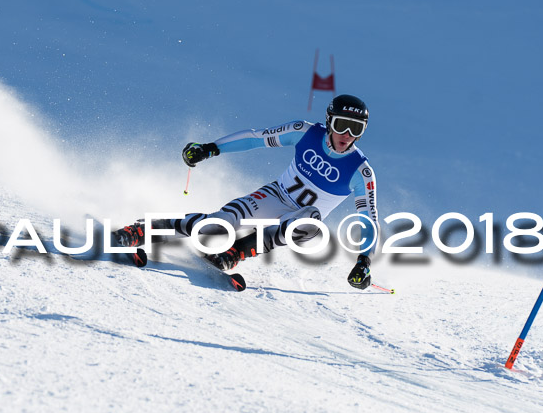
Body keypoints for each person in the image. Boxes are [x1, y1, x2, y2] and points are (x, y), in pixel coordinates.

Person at [115, 94, 379, 290]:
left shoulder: (361, 172)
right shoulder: (304, 132)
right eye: (341, 124)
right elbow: (256, 138)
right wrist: (210, 148)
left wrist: (363, 260)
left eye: (355, 128)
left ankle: (235, 252)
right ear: (329, 121)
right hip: (275, 196)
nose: (346, 134)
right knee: (214, 228)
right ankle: (143, 230)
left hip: (300, 218)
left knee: (310, 220)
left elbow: (368, 220)